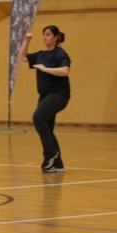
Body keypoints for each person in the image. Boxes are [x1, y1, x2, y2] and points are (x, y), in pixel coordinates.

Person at [19, 25, 70, 173]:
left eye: (47, 35)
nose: (44, 37)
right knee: (47, 127)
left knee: (38, 118)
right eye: (43, 35)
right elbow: (22, 58)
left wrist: (45, 69)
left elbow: (65, 71)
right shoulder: (41, 54)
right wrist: (26, 41)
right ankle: (58, 164)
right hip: (44, 95)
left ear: (55, 37)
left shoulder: (60, 54)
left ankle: (50, 156)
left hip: (59, 95)